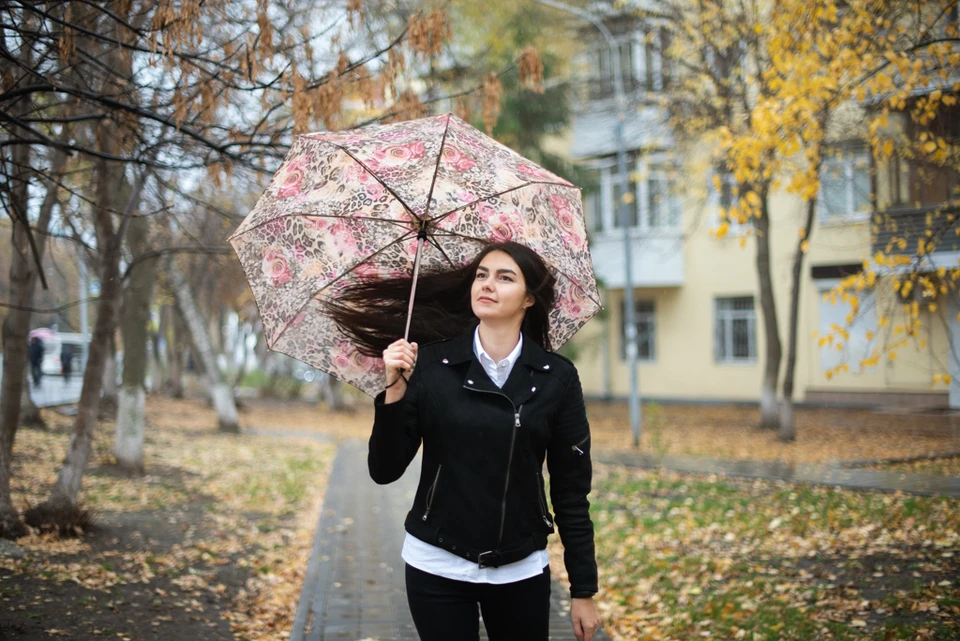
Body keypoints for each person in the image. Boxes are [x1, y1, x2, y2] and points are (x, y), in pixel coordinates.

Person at [328, 241, 601, 641]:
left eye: (504, 277)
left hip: (520, 568)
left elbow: (572, 490)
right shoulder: (432, 366)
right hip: (437, 565)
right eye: (481, 274)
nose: (486, 284)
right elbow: (384, 470)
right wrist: (394, 391)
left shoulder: (556, 378)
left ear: (528, 298)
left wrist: (583, 590)